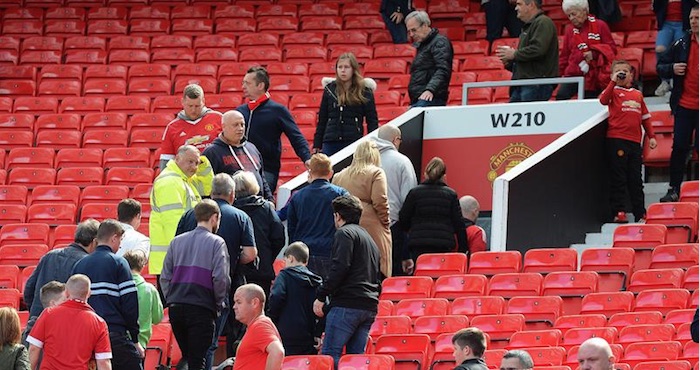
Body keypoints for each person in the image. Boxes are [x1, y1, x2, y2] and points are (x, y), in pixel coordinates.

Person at [177, 173, 257, 366]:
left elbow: (177, 248)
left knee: (190, 349)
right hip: (218, 290)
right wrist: (233, 263)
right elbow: (250, 253)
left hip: (185, 289)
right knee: (209, 344)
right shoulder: (240, 216)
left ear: (211, 193)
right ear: (232, 195)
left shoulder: (189, 214)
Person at [161, 200, 231, 370]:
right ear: (214, 218)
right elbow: (221, 278)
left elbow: (164, 277)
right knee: (197, 360)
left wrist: (172, 298)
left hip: (177, 308)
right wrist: (217, 303)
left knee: (188, 356)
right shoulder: (217, 243)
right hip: (202, 307)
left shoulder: (176, 242)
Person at [313, 195, 381, 368]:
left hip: (346, 304)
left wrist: (321, 295)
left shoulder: (344, 233)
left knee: (330, 356)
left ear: (337, 216)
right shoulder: (370, 240)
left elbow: (340, 267)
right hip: (368, 305)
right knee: (355, 361)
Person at [72, 219, 143, 370]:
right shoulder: (119, 262)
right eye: (120, 240)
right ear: (114, 238)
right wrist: (135, 338)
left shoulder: (80, 265)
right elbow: (130, 303)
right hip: (114, 333)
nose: (121, 245)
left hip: (86, 336)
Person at [236, 66, 312, 191]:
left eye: (247, 83)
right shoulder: (240, 111)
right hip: (240, 167)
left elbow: (295, 136)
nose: (243, 86)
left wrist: (307, 158)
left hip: (266, 170)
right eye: (243, 83)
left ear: (260, 85)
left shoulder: (278, 110)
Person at [599, 60, 657, 223]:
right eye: (618, 71)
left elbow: (645, 117)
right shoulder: (613, 91)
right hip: (617, 140)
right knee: (619, 177)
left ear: (632, 75)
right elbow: (603, 100)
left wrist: (652, 136)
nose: (622, 73)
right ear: (612, 75)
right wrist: (613, 82)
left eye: (625, 71)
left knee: (635, 178)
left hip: (634, 142)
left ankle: (640, 212)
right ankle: (619, 211)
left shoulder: (637, 94)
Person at [149, 144, 213, 279]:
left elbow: (207, 187)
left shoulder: (184, 180)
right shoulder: (170, 182)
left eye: (196, 163)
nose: (194, 167)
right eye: (190, 161)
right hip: (174, 260)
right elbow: (173, 222)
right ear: (177, 159)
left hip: (175, 259)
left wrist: (204, 163)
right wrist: (185, 254)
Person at [332, 141, 392, 278]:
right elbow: (380, 201)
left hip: (344, 225)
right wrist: (385, 222)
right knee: (375, 268)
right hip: (372, 225)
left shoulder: (339, 175)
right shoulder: (376, 172)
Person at [23, 219, 99, 328]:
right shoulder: (88, 263)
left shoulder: (49, 256)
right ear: (95, 242)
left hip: (38, 324)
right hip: (67, 328)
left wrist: (38, 311)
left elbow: (28, 291)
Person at [27, 274, 112, 370]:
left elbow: (34, 349)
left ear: (67, 293)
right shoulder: (99, 323)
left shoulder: (48, 313)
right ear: (88, 293)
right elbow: (103, 362)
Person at [658, 5, 699, 202]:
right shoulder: (681, 43)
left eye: (697, 18)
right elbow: (660, 67)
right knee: (679, 147)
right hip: (684, 104)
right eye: (691, 18)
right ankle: (674, 188)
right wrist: (672, 68)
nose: (693, 21)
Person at [287, 153, 349, 279]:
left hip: (304, 254)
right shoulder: (340, 194)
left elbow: (291, 229)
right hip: (331, 252)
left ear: (310, 172)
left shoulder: (297, 196)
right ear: (330, 173)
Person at [399, 157, 467, 262]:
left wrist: (413, 230)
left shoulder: (414, 193)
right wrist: (463, 249)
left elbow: (403, 219)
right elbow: (459, 224)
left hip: (419, 245)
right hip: (443, 245)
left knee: (422, 275)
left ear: (425, 174)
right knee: (441, 276)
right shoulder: (451, 195)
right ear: (444, 176)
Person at [372, 125, 417, 276]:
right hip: (394, 225)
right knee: (392, 273)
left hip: (369, 225)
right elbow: (409, 197)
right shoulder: (402, 162)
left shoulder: (367, 161)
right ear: (395, 140)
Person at [313, 53, 379, 156]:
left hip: (353, 140)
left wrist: (373, 143)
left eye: (346, 67)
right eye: (340, 67)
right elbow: (322, 119)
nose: (343, 70)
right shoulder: (329, 89)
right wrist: (317, 144)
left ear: (353, 69)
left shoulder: (365, 91)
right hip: (330, 141)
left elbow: (372, 120)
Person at [232, 171, 285, 297]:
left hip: (237, 271)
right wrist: (267, 257)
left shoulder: (231, 211)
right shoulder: (266, 208)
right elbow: (279, 237)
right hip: (262, 271)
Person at [495, 0, 559, 102]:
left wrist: (514, 54)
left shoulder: (543, 22)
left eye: (519, 4)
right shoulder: (528, 27)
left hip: (535, 84)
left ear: (531, 5)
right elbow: (528, 60)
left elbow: (538, 49)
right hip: (525, 84)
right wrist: (510, 63)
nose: (516, 8)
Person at [204, 110, 274, 201]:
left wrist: (270, 200)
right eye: (235, 125)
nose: (240, 128)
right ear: (223, 127)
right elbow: (206, 186)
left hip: (257, 205)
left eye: (242, 124)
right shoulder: (212, 152)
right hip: (232, 207)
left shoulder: (251, 148)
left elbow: (261, 177)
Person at [268, 242, 323, 356]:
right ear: (306, 261)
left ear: (291, 258)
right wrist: (318, 332)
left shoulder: (284, 276)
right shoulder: (317, 282)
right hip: (308, 334)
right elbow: (324, 308)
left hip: (286, 333)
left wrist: (272, 318)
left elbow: (276, 296)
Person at [557, 0, 617, 100]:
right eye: (569, 16)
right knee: (561, 96)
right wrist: (558, 74)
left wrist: (594, 54)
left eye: (574, 14)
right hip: (573, 74)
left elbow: (612, 49)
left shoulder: (600, 25)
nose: (572, 18)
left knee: (590, 100)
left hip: (595, 76)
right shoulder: (569, 30)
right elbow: (565, 55)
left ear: (584, 11)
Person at [159, 84, 222, 169]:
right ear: (183, 102)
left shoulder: (219, 119)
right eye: (190, 106)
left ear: (203, 101)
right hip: (187, 178)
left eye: (197, 106)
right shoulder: (172, 127)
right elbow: (166, 161)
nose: (193, 110)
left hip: (217, 173)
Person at [405, 10, 454, 107]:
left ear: (425, 25)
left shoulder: (440, 42)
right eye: (409, 31)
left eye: (414, 30)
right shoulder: (423, 45)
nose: (411, 35)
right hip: (421, 98)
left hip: (430, 98)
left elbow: (443, 69)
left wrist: (430, 90)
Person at [232, 283, 285, 370]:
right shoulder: (255, 325)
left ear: (254, 303)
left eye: (239, 302)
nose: (234, 307)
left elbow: (277, 352)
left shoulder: (260, 325)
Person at [122, 249, 163, 350]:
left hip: (119, 338)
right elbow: (157, 318)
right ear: (142, 266)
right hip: (141, 342)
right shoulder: (150, 289)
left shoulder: (119, 286)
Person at [653, 0, 695, 96]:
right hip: (666, 24)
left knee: (680, 50)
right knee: (660, 48)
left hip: (682, 25)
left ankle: (675, 80)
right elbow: (656, 7)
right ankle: (665, 81)